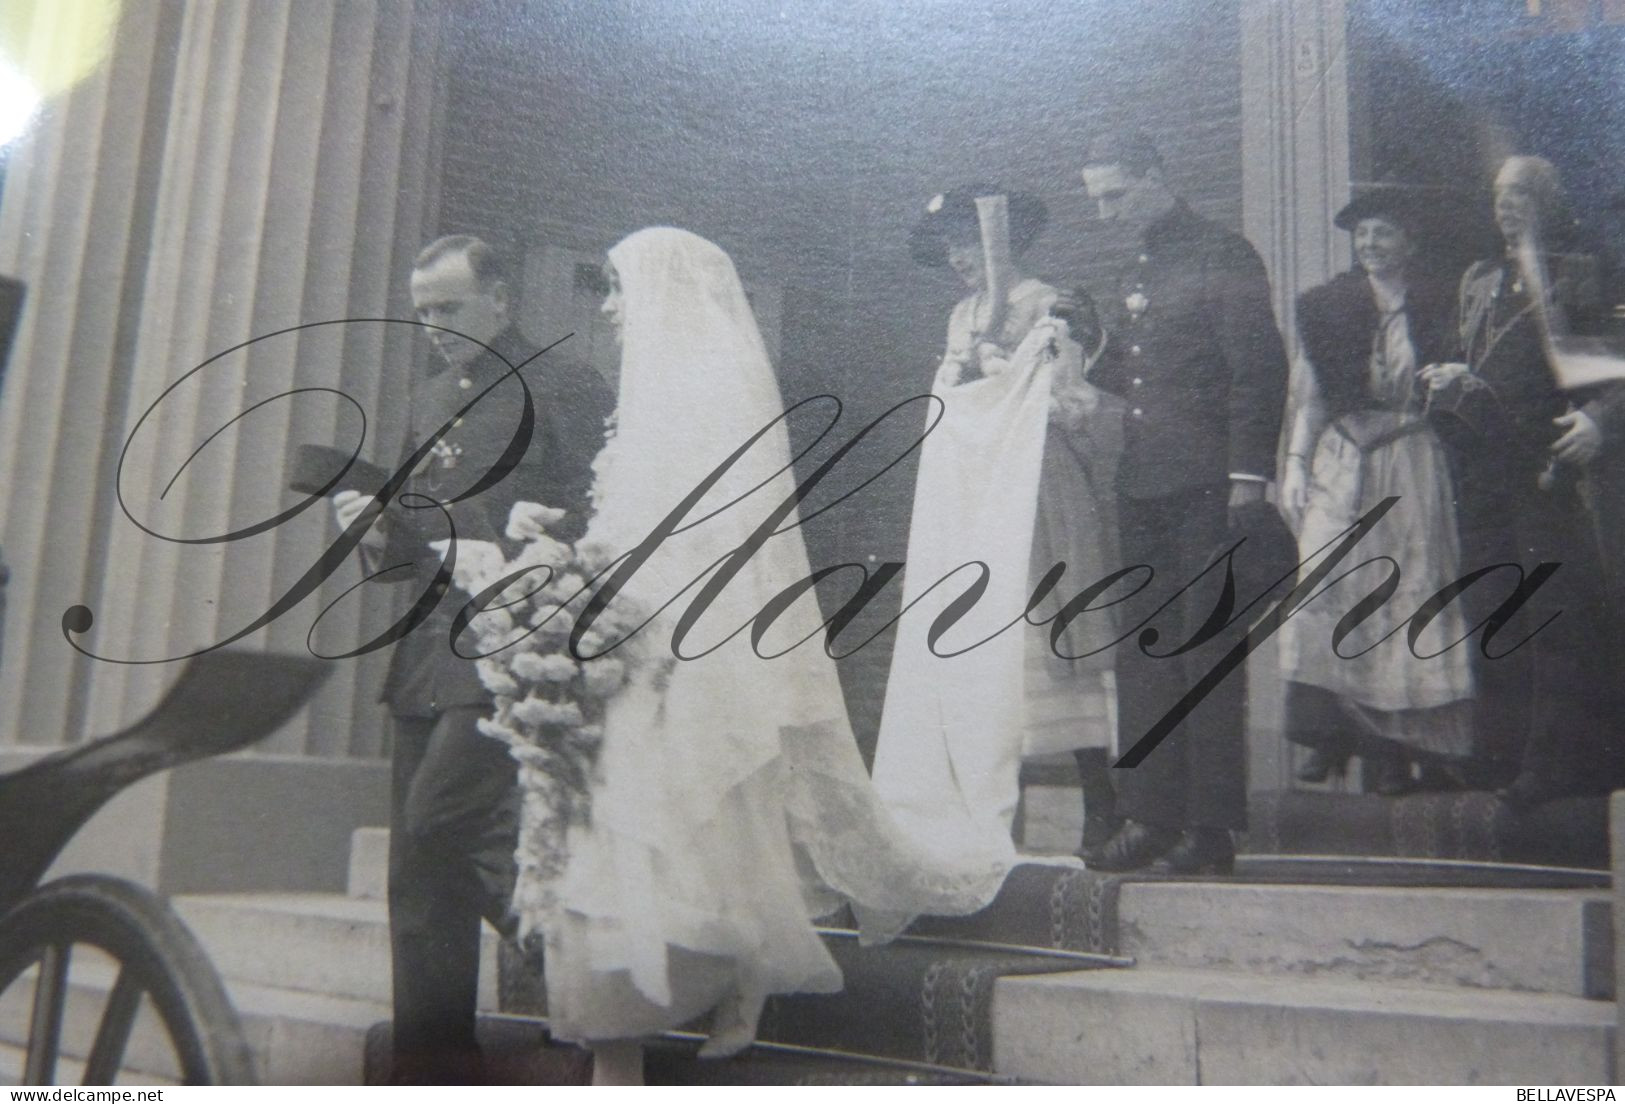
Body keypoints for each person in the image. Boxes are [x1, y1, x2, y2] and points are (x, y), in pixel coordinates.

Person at [531, 227, 1000, 1085]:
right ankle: (648, 1013)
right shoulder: (643, 389)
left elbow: (718, 525)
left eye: (618, 289)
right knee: (636, 813)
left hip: (685, 626)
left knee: (704, 799)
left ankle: (718, 980)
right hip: (626, 628)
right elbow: (626, 509)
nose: (606, 307)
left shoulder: (713, 384)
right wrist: (570, 557)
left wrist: (621, 588)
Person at [331, 235, 615, 1082]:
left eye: (448, 308)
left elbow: (604, 512)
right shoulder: (424, 400)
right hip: (427, 648)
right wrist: (370, 532)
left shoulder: (563, 382)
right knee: (416, 875)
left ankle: (582, 960)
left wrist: (533, 564)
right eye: (422, 311)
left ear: (500, 299)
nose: (432, 327)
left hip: (517, 644)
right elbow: (412, 548)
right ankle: (429, 1063)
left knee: (443, 818)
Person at [870, 186, 1120, 867]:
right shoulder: (962, 317)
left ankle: (1100, 805)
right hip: (975, 494)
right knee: (981, 637)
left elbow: (1074, 404)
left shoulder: (1049, 305)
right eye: (948, 247)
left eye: (967, 243)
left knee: (1048, 630)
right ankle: (986, 806)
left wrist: (1014, 374)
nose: (959, 259)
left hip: (1037, 486)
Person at [1072, 131, 1289, 875]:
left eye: (1115, 195)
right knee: (1145, 654)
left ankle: (1209, 828)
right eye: (1095, 200)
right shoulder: (1135, 264)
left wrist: (1248, 477)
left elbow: (1255, 371)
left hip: (1209, 486)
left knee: (1205, 650)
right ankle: (1153, 815)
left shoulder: (1220, 254)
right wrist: (1082, 351)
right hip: (1144, 483)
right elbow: (1144, 381)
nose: (1104, 214)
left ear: (1156, 176)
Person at [1422, 156, 1625, 806]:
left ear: (1545, 202)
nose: (1505, 205)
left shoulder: (1578, 275)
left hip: (1554, 468)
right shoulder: (1480, 280)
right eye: (1498, 194)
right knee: (1492, 609)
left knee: (1552, 617)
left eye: (1520, 194)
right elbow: (1481, 361)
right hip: (1486, 470)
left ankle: (1555, 762)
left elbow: (1612, 370)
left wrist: (1600, 421)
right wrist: (1449, 376)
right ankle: (1500, 754)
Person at [1277, 187, 1475, 794]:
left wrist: (1457, 381)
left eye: (1383, 233)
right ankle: (1335, 734)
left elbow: (1464, 381)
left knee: (1409, 591)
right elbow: (1308, 397)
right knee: (1333, 585)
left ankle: (1405, 745)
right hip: (1344, 457)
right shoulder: (1328, 306)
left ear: (1409, 243)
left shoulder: (1441, 305)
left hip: (1412, 456)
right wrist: (1293, 463)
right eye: (1362, 235)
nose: (1370, 245)